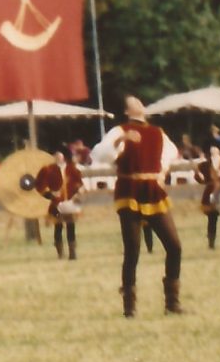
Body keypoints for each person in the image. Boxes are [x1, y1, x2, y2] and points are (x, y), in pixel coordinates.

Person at [92, 98, 185, 316]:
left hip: (153, 190)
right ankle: (129, 307)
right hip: (130, 191)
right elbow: (101, 155)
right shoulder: (119, 130)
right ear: (126, 110)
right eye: (134, 102)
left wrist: (161, 174)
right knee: (133, 249)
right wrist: (121, 140)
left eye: (140, 101)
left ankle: (172, 303)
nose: (140, 104)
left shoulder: (157, 132)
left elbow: (169, 155)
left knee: (174, 246)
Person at [43, 146, 83, 261]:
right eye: (56, 157)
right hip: (56, 204)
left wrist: (77, 193)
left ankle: (72, 253)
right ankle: (60, 253)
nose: (58, 159)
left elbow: (79, 183)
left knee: (71, 226)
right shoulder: (49, 171)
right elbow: (41, 187)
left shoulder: (72, 169)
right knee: (58, 226)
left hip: (69, 202)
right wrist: (51, 194)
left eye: (60, 157)